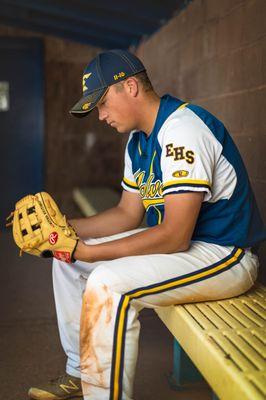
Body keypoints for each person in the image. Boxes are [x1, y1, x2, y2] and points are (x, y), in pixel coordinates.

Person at [28, 49, 265, 400]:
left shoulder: (183, 130)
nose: (101, 115)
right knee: (66, 262)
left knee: (108, 283)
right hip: (187, 248)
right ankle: (81, 372)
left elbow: (174, 235)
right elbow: (127, 213)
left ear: (131, 86)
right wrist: (65, 229)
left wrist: (91, 251)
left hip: (224, 254)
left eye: (103, 103)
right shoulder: (137, 141)